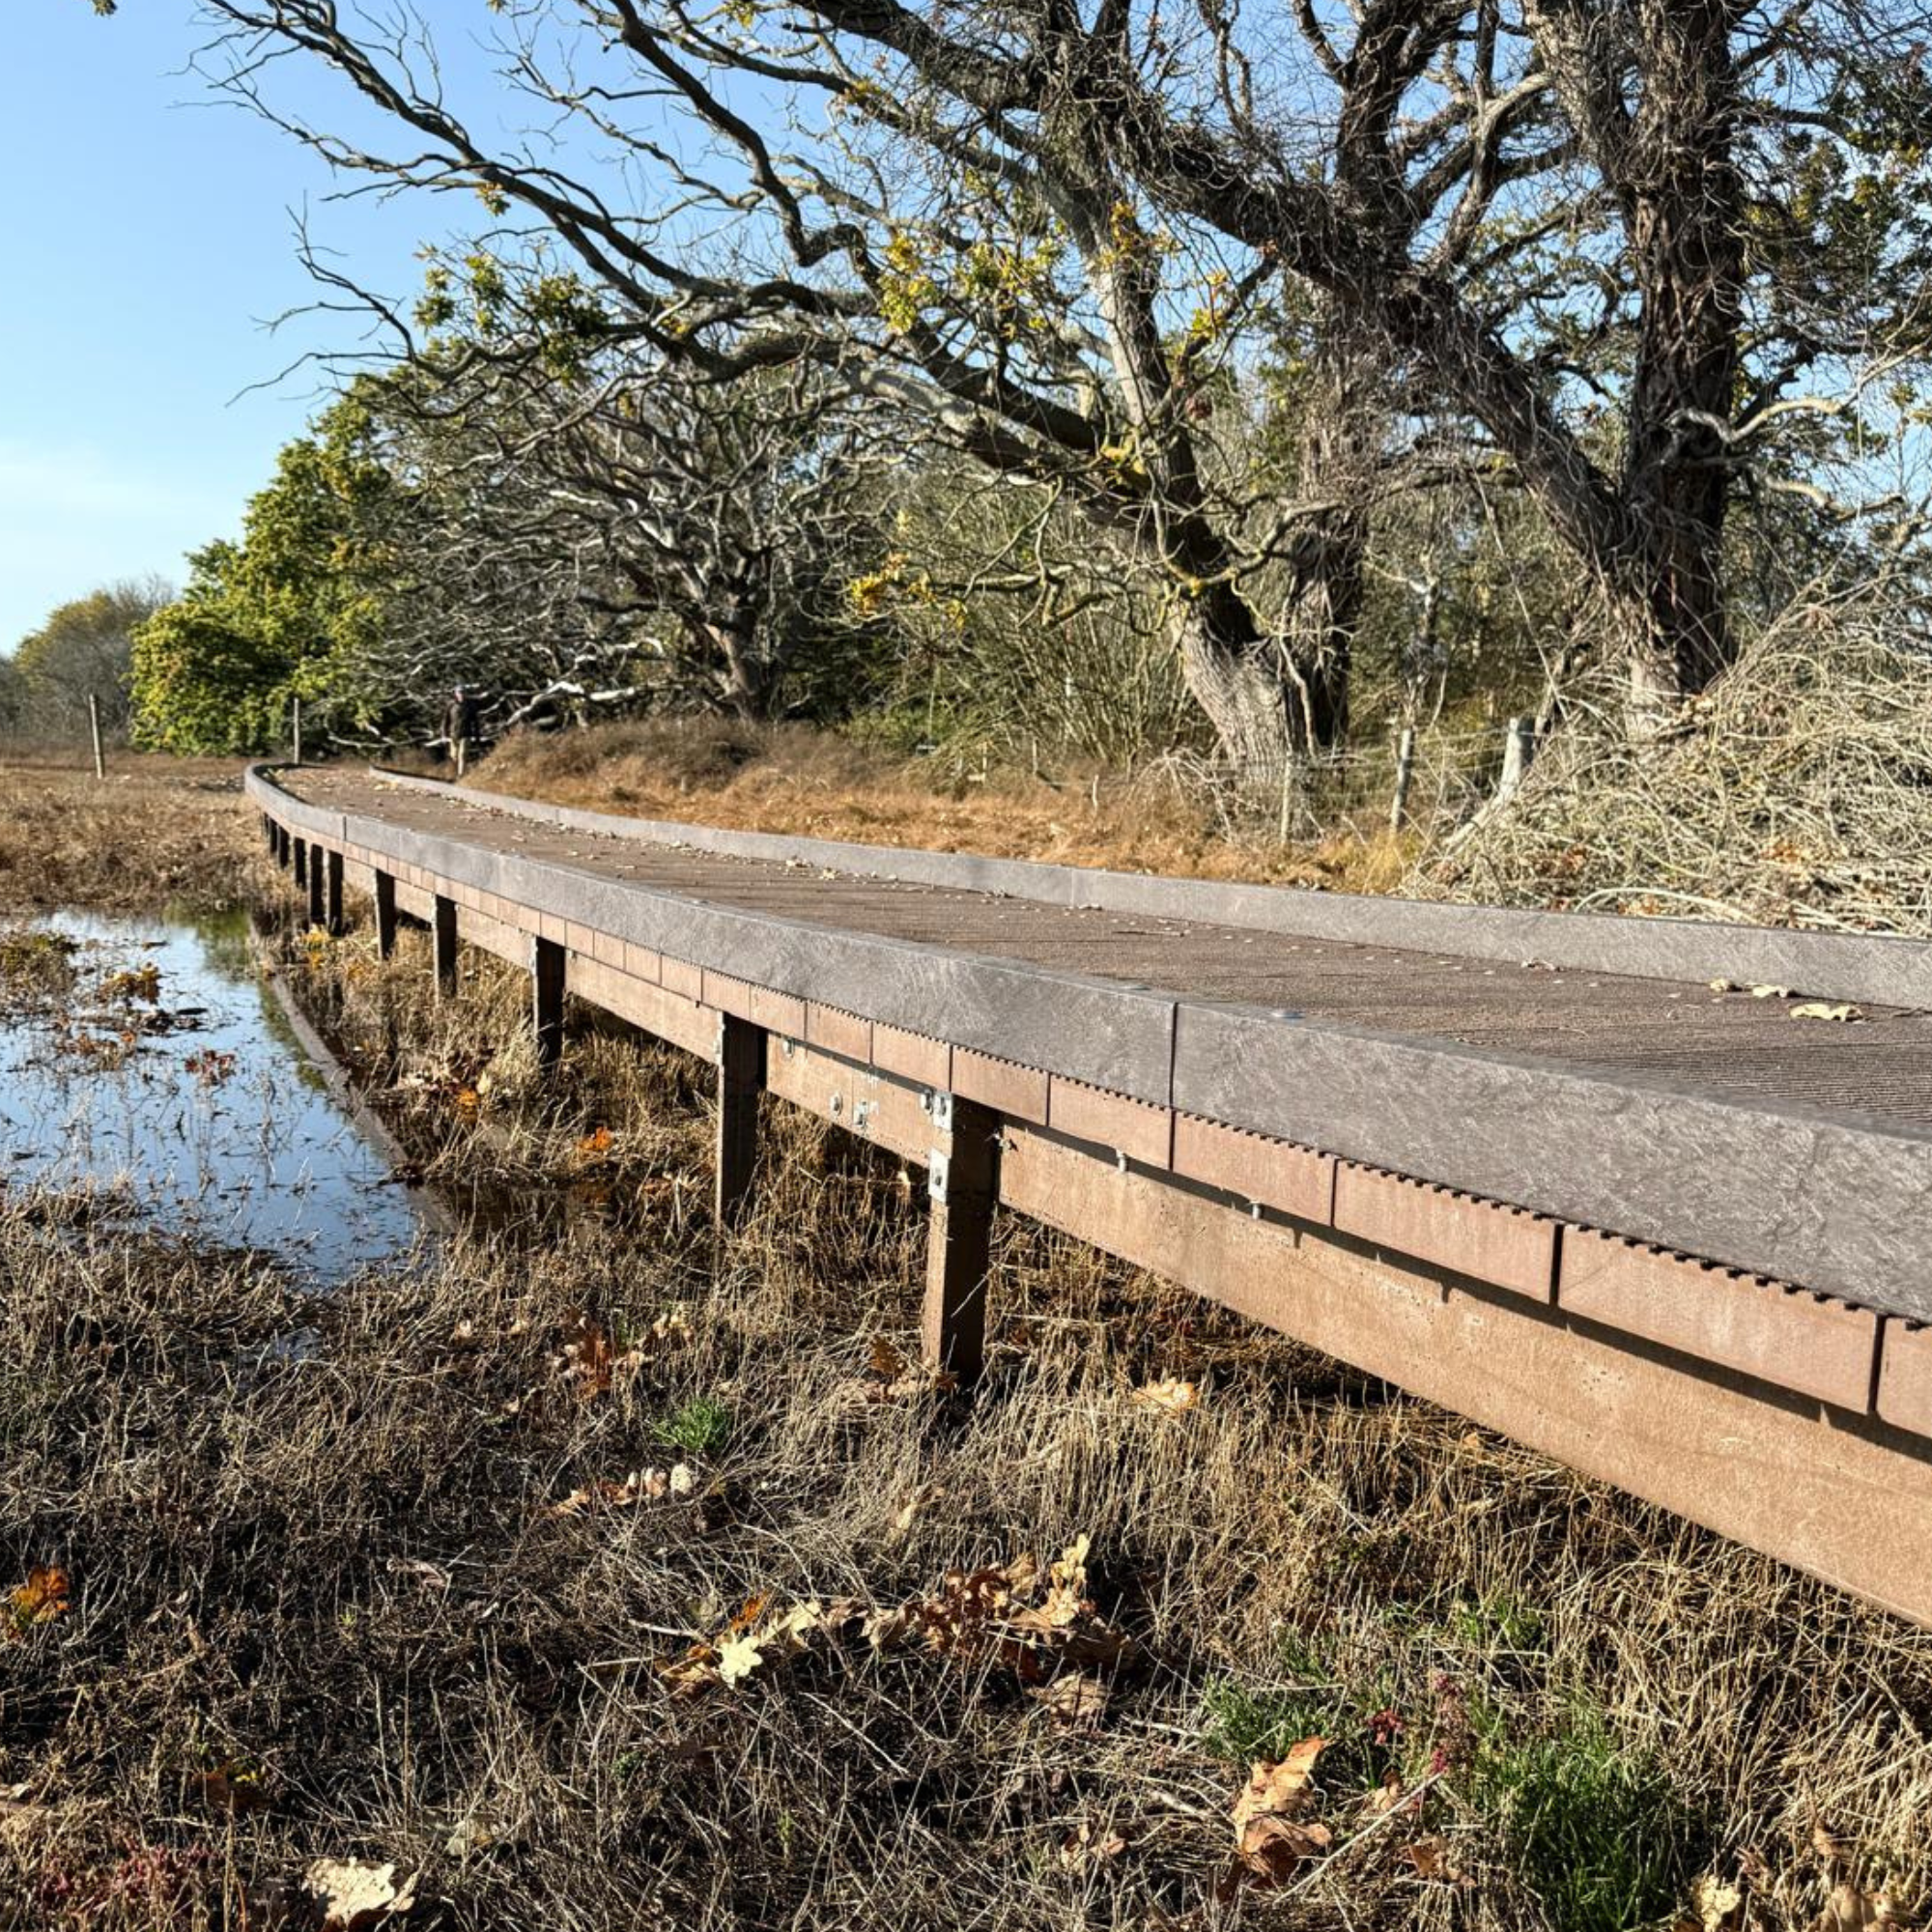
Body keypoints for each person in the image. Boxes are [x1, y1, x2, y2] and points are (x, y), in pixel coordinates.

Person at [444, 685, 481, 778]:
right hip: (454, 734)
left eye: (463, 692)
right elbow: (446, 720)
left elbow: (475, 721)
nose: (461, 694)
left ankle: (461, 775)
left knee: (463, 754)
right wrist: (444, 733)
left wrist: (477, 735)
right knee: (454, 756)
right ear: (455, 694)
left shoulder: (470, 706)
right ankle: (454, 772)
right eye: (459, 692)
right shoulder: (451, 705)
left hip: (466, 733)